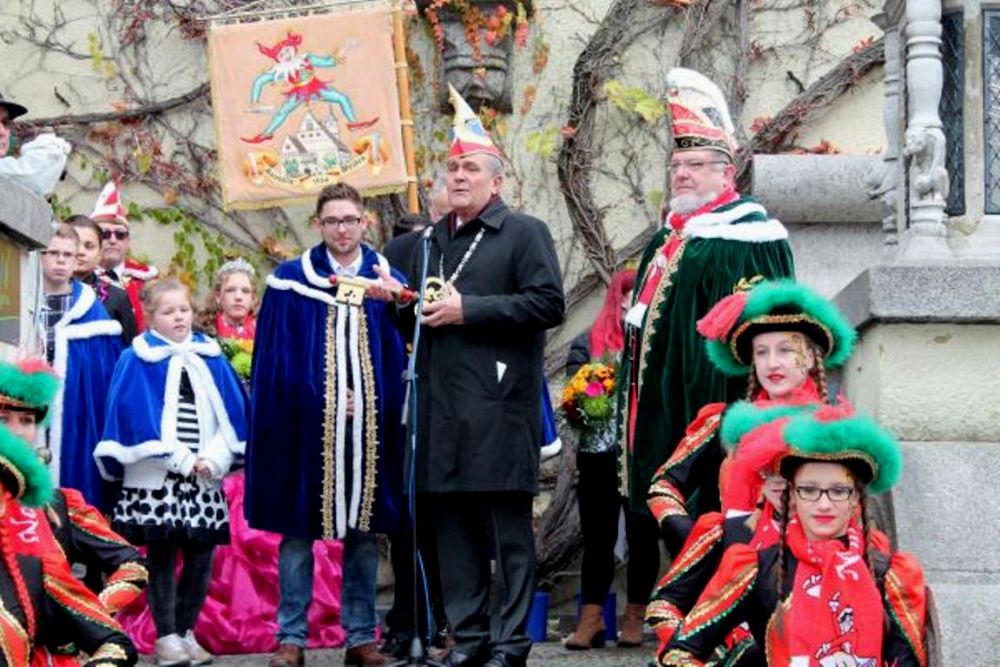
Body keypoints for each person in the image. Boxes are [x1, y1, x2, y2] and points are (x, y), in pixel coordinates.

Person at [375, 84, 564, 667]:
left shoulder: (524, 232)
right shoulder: (427, 244)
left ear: (496, 182)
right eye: (453, 168)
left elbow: (548, 304)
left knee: (507, 536)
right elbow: (418, 319)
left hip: (498, 408)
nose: (458, 176)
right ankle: (470, 637)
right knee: (452, 534)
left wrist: (470, 310)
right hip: (439, 410)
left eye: (471, 169)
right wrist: (396, 302)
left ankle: (510, 643)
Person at [618, 67, 794, 537]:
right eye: (676, 165)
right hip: (658, 410)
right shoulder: (668, 237)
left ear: (726, 172)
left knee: (712, 524)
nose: (681, 174)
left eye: (694, 165)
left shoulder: (748, 237)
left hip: (711, 413)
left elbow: (761, 337)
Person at [247, 182, 408, 667]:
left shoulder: (385, 278)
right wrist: (327, 400)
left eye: (350, 220)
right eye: (333, 221)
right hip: (306, 431)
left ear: (365, 222)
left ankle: (360, 637)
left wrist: (371, 400)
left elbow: (401, 355)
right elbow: (276, 362)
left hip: (368, 433)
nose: (342, 229)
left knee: (363, 533)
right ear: (319, 224)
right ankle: (290, 638)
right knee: (298, 534)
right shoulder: (291, 281)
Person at [660, 406, 928, 666]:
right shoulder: (754, 569)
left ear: (856, 497)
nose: (823, 504)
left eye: (838, 491)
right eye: (809, 490)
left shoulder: (889, 576)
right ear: (792, 496)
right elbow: (679, 653)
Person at [94, 278, 248, 667]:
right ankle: (166, 638)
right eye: (168, 312)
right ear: (150, 318)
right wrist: (180, 458)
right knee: (161, 557)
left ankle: (185, 631)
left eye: (183, 310)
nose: (179, 317)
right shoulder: (136, 358)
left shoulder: (211, 355)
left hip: (202, 479)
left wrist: (214, 458)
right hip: (156, 479)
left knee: (201, 559)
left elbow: (231, 416)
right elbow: (134, 416)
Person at [646, 279, 858, 554]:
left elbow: (852, 516)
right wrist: (695, 537)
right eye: (762, 352)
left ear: (809, 357)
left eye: (785, 350)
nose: (772, 363)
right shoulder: (723, 424)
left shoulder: (835, 430)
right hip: (733, 565)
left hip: (815, 571)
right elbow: (663, 488)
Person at [0, 361, 139, 666]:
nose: (16, 431)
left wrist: (89, 614)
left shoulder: (60, 504)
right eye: (4, 419)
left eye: (26, 420)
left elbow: (132, 565)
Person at [560, 268, 662, 650]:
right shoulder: (588, 341)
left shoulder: (658, 342)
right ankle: (591, 620)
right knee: (597, 539)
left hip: (642, 457)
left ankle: (635, 617)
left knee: (643, 537)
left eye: (642, 294)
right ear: (617, 299)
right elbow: (572, 398)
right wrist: (589, 395)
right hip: (598, 459)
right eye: (629, 294)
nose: (634, 301)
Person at [38, 223, 123, 509]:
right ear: (39, 254)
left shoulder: (93, 314)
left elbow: (104, 383)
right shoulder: (21, 301)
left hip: (74, 420)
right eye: (53, 253)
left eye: (68, 255)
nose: (61, 261)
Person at [91, 180, 159, 332]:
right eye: (105, 234)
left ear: (128, 241)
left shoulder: (147, 279)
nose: (113, 240)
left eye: (120, 234)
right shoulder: (81, 277)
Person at [67, 213, 139, 344]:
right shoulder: (42, 291)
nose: (81, 252)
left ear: (100, 253)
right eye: (74, 244)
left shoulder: (118, 298)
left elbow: (129, 349)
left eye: (89, 246)